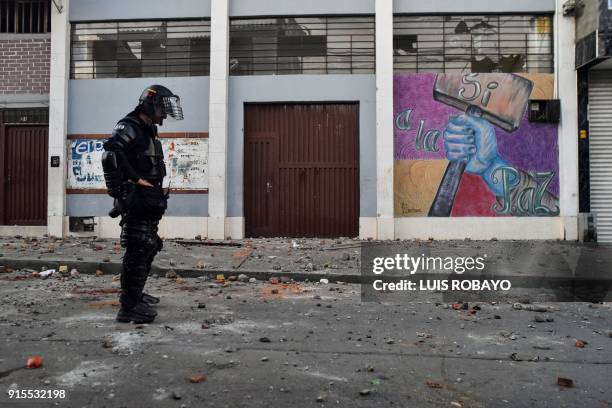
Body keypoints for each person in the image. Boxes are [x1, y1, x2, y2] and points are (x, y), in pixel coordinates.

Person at [101, 85, 184, 323]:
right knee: (139, 246)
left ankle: (136, 295)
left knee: (149, 245)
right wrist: (132, 182)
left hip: (149, 199)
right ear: (150, 105)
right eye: (162, 109)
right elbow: (111, 153)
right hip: (136, 197)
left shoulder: (147, 130)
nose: (165, 115)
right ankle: (128, 307)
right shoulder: (130, 126)